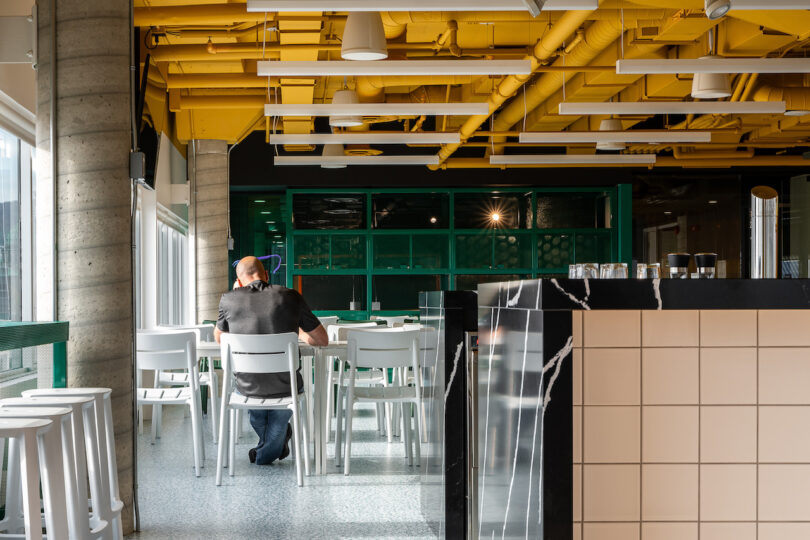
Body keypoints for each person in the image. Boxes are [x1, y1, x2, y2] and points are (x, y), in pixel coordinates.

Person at [215, 256, 328, 465]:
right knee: (275, 424)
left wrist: (234, 293)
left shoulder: (228, 299)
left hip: (248, 386)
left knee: (261, 424)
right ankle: (273, 444)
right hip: (286, 386)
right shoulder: (291, 296)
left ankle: (263, 454)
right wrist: (300, 334)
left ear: (239, 281)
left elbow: (220, 338)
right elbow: (322, 340)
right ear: (266, 275)